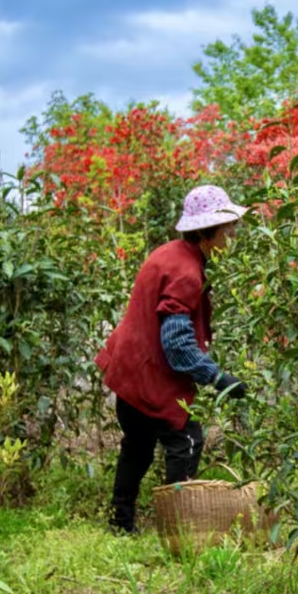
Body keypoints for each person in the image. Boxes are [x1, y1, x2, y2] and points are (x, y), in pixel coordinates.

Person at [96, 185, 250, 534]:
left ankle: (120, 524)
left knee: (136, 447)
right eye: (229, 229)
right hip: (151, 378)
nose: (233, 235)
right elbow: (177, 345)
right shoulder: (186, 272)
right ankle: (179, 528)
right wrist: (219, 378)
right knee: (187, 441)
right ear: (208, 233)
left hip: (130, 372)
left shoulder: (170, 253)